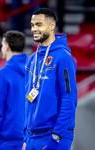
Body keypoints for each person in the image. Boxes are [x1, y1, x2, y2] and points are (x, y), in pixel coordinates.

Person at [24, 8, 77, 150]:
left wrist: (56, 137)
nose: (34, 29)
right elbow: (27, 100)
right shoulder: (30, 61)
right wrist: (25, 136)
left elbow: (69, 100)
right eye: (32, 25)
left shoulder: (63, 58)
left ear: (52, 25)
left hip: (52, 137)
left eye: (39, 25)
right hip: (30, 138)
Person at [0, 30, 28, 150]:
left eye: (2, 45)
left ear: (7, 46)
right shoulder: (34, 73)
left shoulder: (1, 75)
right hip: (29, 140)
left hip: (6, 141)